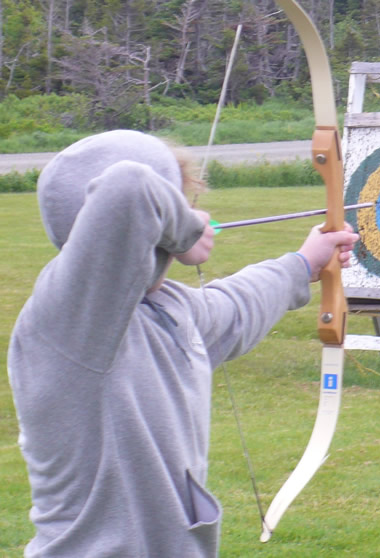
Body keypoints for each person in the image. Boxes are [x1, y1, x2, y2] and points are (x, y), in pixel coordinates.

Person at [7, 130, 359, 558]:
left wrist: (303, 262)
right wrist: (189, 234)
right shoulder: (66, 322)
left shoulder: (170, 308)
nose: (192, 212)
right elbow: (128, 188)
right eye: (181, 204)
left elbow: (234, 307)